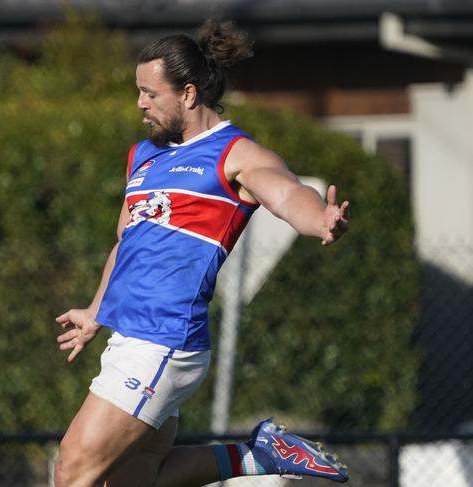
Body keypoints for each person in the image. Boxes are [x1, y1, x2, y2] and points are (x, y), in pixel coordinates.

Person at [54, 19, 350, 487]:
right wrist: (95, 310)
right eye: (138, 91)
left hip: (163, 340)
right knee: (132, 480)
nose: (140, 103)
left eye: (150, 94)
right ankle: (257, 455)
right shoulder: (144, 157)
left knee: (72, 470)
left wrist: (319, 219)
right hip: (128, 338)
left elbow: (286, 192)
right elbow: (127, 243)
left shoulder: (232, 153)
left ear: (188, 95)